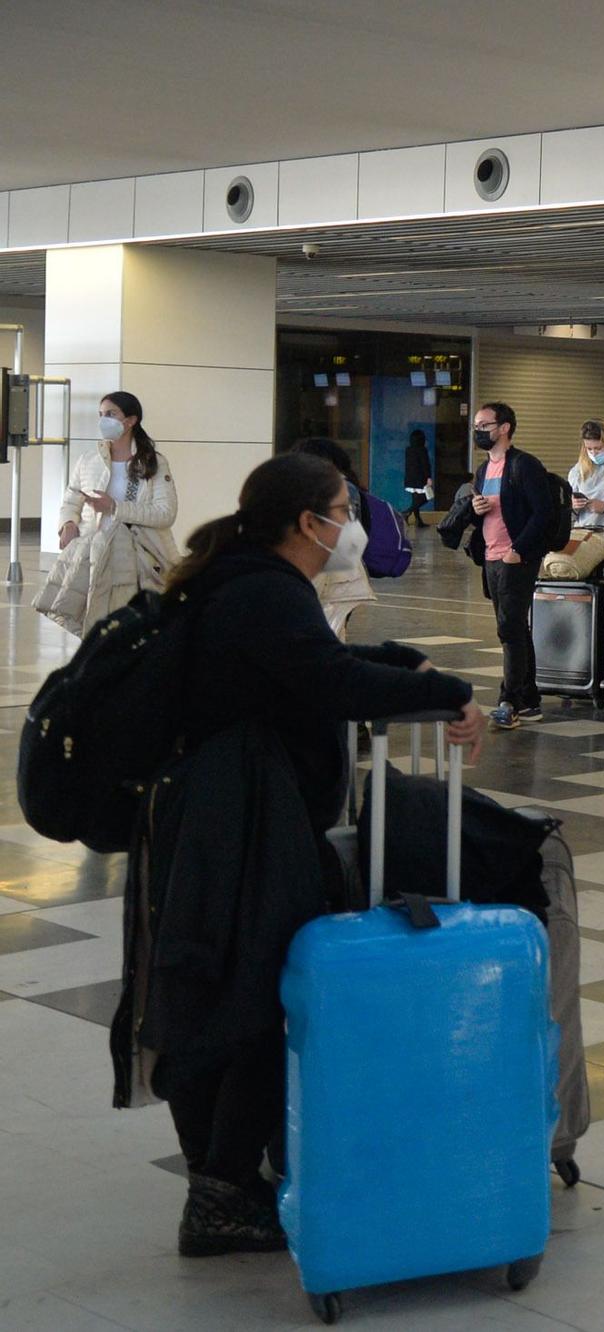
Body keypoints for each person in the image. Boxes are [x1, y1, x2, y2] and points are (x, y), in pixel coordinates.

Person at [115, 452, 481, 1258]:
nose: (352, 521)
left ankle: (231, 1182)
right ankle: (219, 1193)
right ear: (305, 523)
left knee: (228, 985)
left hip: (225, 814)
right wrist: (449, 692)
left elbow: (321, 667)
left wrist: (410, 667)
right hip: (234, 826)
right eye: (343, 507)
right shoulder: (258, 591)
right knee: (248, 993)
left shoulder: (249, 581)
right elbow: (332, 684)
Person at [36, 391, 181, 637]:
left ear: (131, 420)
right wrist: (68, 524)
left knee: (130, 625)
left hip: (137, 556)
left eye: (111, 414)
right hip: (93, 552)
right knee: (92, 622)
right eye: (101, 415)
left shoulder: (152, 462)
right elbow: (71, 499)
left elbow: (165, 513)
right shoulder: (89, 460)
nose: (104, 420)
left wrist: (115, 507)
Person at [467, 402, 559, 730]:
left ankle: (509, 700)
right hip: (492, 557)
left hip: (516, 558)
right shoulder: (483, 470)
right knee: (514, 628)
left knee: (509, 628)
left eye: (484, 425)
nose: (478, 430)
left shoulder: (524, 465)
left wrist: (518, 549)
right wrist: (477, 508)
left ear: (504, 428)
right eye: (476, 425)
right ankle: (529, 698)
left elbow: (543, 513)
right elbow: (489, 511)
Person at [290, 437, 376, 642]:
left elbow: (349, 536)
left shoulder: (338, 488)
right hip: (328, 572)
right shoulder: (323, 486)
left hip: (331, 573)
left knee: (326, 635)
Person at [403, 427, 433, 525]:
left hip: (410, 479)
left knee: (415, 499)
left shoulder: (408, 450)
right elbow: (425, 465)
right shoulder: (422, 450)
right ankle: (407, 512)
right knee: (426, 498)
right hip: (420, 479)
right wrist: (428, 477)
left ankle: (418, 521)